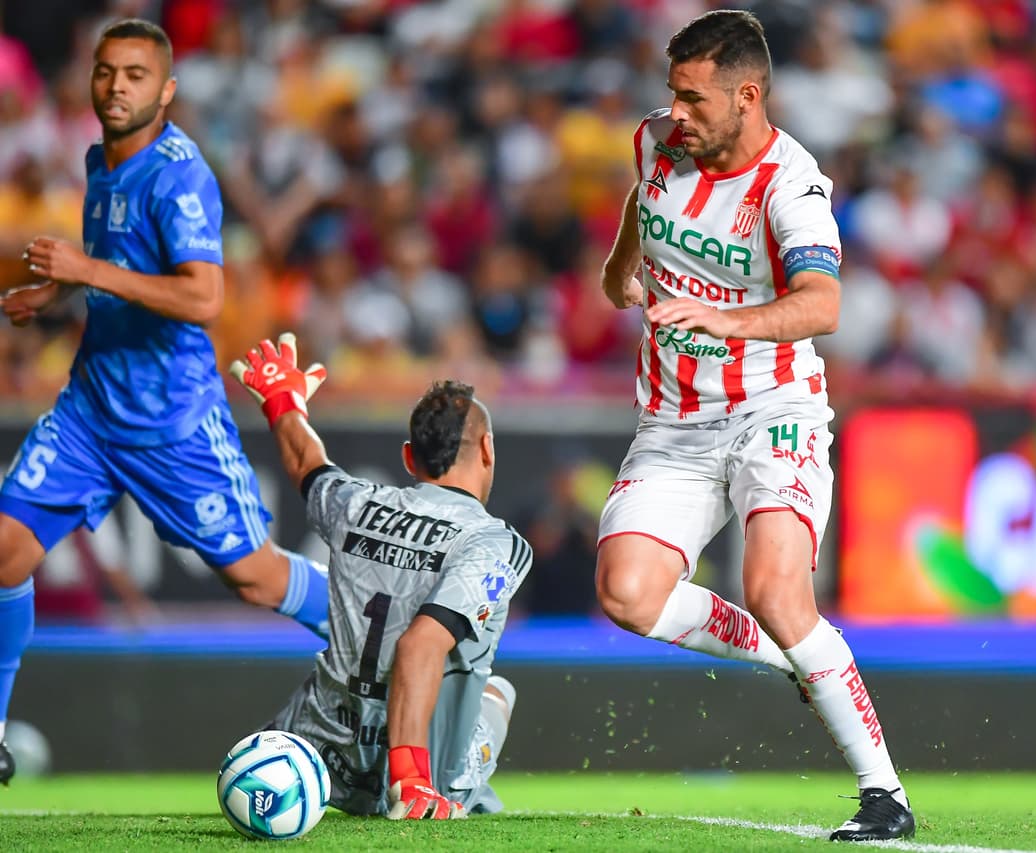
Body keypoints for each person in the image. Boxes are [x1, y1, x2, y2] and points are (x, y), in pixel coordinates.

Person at [594, 10, 914, 842]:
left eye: (695, 99)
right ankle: (788, 655)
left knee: (775, 589)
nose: (678, 113)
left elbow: (824, 303)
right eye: (672, 95)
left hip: (773, 410)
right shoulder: (657, 142)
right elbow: (643, 201)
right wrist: (624, 267)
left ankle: (884, 794)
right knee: (626, 595)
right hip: (671, 423)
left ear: (748, 94)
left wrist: (727, 321)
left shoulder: (790, 185)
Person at [0, 20, 330, 785]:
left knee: (254, 577)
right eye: (107, 72)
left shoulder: (179, 175)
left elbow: (203, 295)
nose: (118, 87)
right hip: (91, 408)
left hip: (172, 421)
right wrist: (62, 287)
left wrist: (84, 266)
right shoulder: (101, 158)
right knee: (6, 549)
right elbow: (119, 262)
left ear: (167, 90)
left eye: (137, 75)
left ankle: (383, 630)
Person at [231, 334, 531, 819]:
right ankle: (441, 792)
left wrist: (283, 401)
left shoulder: (354, 504)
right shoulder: (494, 542)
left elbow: (307, 463)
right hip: (417, 774)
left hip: (318, 761)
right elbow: (419, 646)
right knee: (497, 693)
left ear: (410, 458)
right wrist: (408, 779)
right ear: (488, 450)